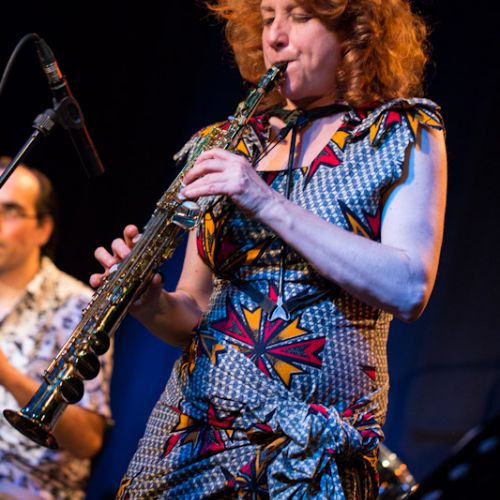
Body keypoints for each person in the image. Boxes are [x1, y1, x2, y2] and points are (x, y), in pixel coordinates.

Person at [94, 0, 447, 497]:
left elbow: (408, 289)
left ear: (353, 31)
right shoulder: (226, 141)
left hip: (310, 448)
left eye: (299, 16)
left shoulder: (400, 130)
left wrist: (262, 199)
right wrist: (151, 305)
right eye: (266, 19)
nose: (275, 37)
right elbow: (194, 307)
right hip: (194, 431)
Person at [0, 158, 113, 499]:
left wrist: (7, 375)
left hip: (26, 488)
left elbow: (87, 441)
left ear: (43, 228)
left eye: (10, 210)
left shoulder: (77, 305)